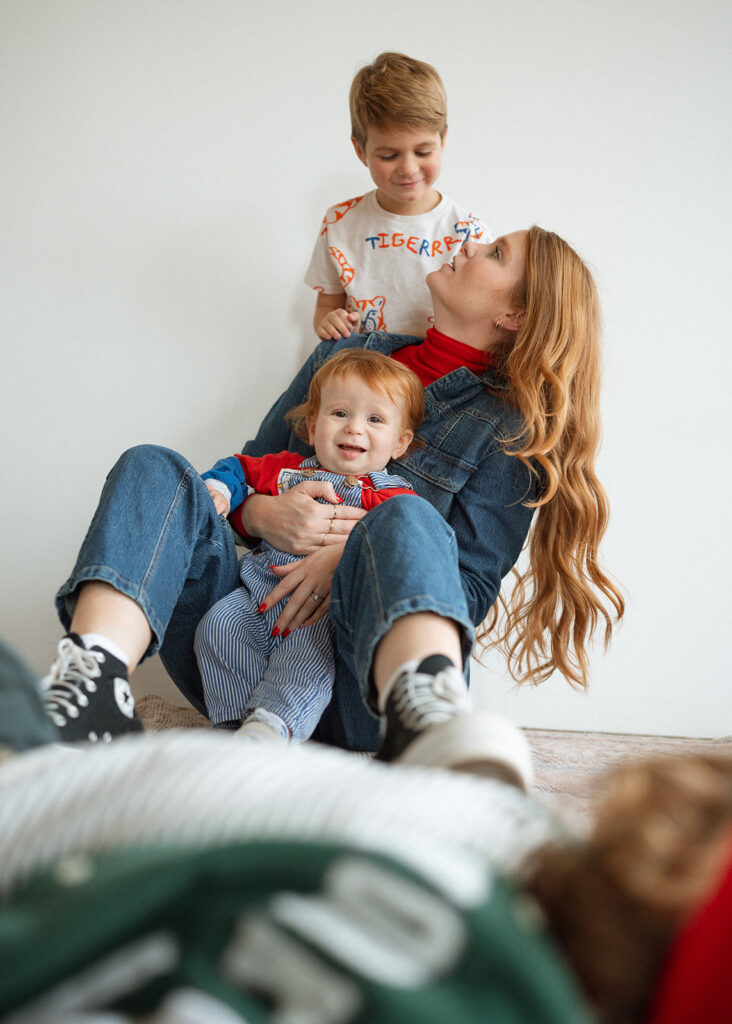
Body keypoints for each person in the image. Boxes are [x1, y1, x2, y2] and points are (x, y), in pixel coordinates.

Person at [44, 226, 624, 769]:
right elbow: (247, 474)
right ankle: (92, 682)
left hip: (360, 694)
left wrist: (349, 558)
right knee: (156, 467)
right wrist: (262, 514)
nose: (469, 245)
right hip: (243, 656)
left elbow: (468, 592)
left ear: (513, 315)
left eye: (495, 253)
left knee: (405, 514)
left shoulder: (510, 429)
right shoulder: (341, 355)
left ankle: (428, 718)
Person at [1, 643, 730, 1022]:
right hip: (72, 793)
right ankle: (429, 705)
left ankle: (424, 708)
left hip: (43, 800)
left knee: (405, 521)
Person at [196, 349, 422, 743]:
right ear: (313, 424)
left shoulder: (391, 497)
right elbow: (238, 467)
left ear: (400, 442)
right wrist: (219, 490)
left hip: (320, 612)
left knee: (308, 657)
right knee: (218, 626)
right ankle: (235, 727)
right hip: (255, 597)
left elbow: (409, 537)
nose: (354, 429)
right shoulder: (286, 470)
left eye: (374, 419)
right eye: (340, 414)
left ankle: (274, 725)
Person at [306, 51, 491, 340]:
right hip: (367, 371)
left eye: (423, 152)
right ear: (360, 151)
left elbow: (485, 320)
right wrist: (330, 321)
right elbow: (327, 307)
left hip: (438, 368)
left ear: (443, 140)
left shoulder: (470, 233)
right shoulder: (339, 224)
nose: (408, 168)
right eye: (389, 155)